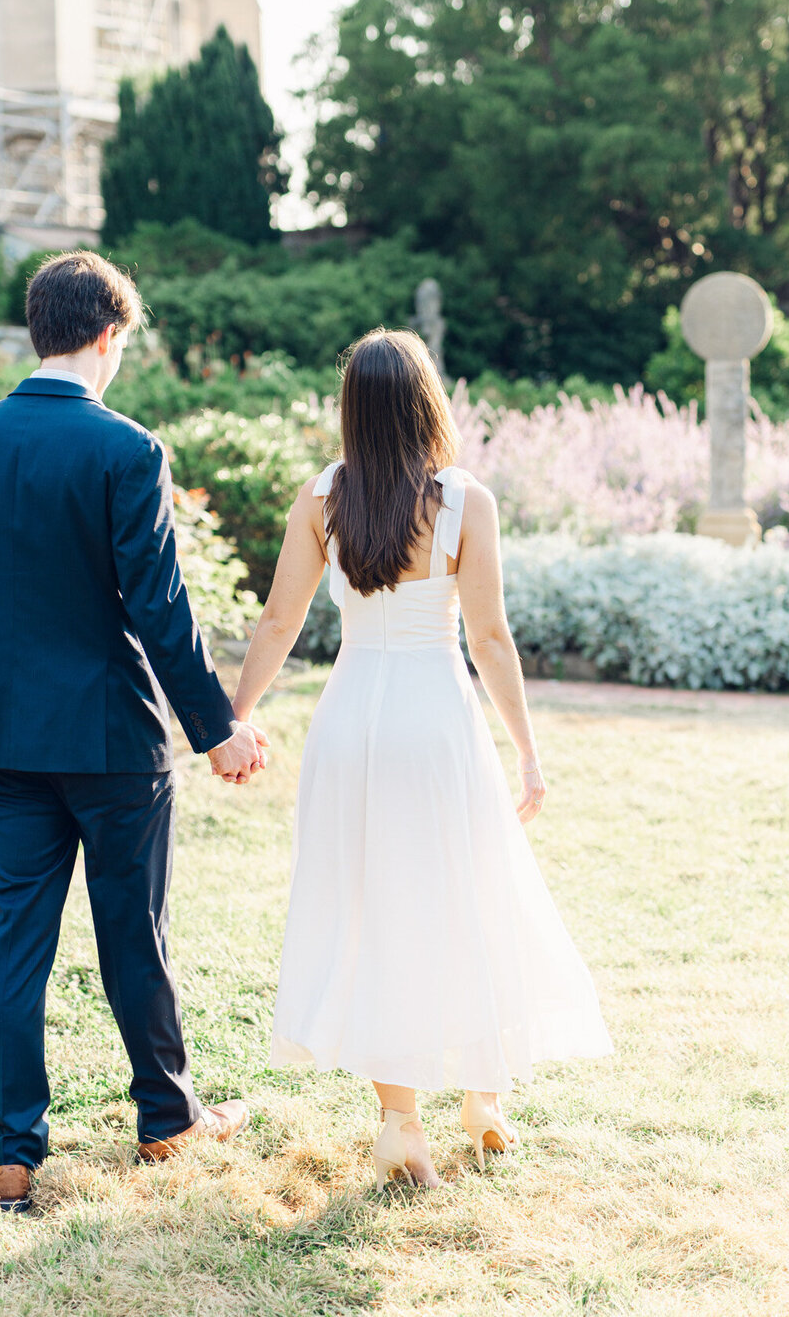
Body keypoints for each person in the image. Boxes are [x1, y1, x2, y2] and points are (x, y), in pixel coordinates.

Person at [231, 328, 612, 1188]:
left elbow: (278, 622)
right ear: (427, 401)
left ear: (351, 410)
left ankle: (401, 1121)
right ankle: (482, 1095)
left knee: (370, 905)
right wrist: (528, 751)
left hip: (350, 719)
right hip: (436, 719)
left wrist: (238, 716)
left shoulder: (321, 497)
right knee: (468, 891)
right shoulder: (464, 500)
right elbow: (490, 635)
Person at [0, 251, 267, 1213]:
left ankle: (13, 1152)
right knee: (135, 932)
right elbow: (161, 609)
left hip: (1, 732)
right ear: (109, 335)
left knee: (14, 942)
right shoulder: (127, 449)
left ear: (39, 329)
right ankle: (166, 1121)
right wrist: (218, 730)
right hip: (114, 740)